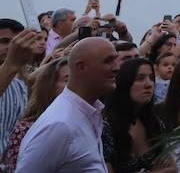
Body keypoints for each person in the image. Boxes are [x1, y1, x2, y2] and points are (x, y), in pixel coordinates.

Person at [15, 35, 116, 173]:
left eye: (115, 60)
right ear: (81, 67)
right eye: (108, 61)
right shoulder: (60, 124)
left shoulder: (87, 113)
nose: (116, 67)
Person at [100, 58, 173, 173]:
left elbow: (172, 168)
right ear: (125, 83)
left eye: (151, 78)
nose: (149, 84)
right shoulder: (106, 128)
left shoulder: (155, 123)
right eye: (140, 78)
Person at [3, 59, 66, 170]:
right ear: (49, 87)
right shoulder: (24, 130)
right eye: (67, 79)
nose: (74, 84)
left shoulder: (95, 122)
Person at [0, 21, 42, 158]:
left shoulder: (19, 82)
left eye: (18, 42)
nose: (13, 48)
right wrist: (11, 63)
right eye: (5, 41)